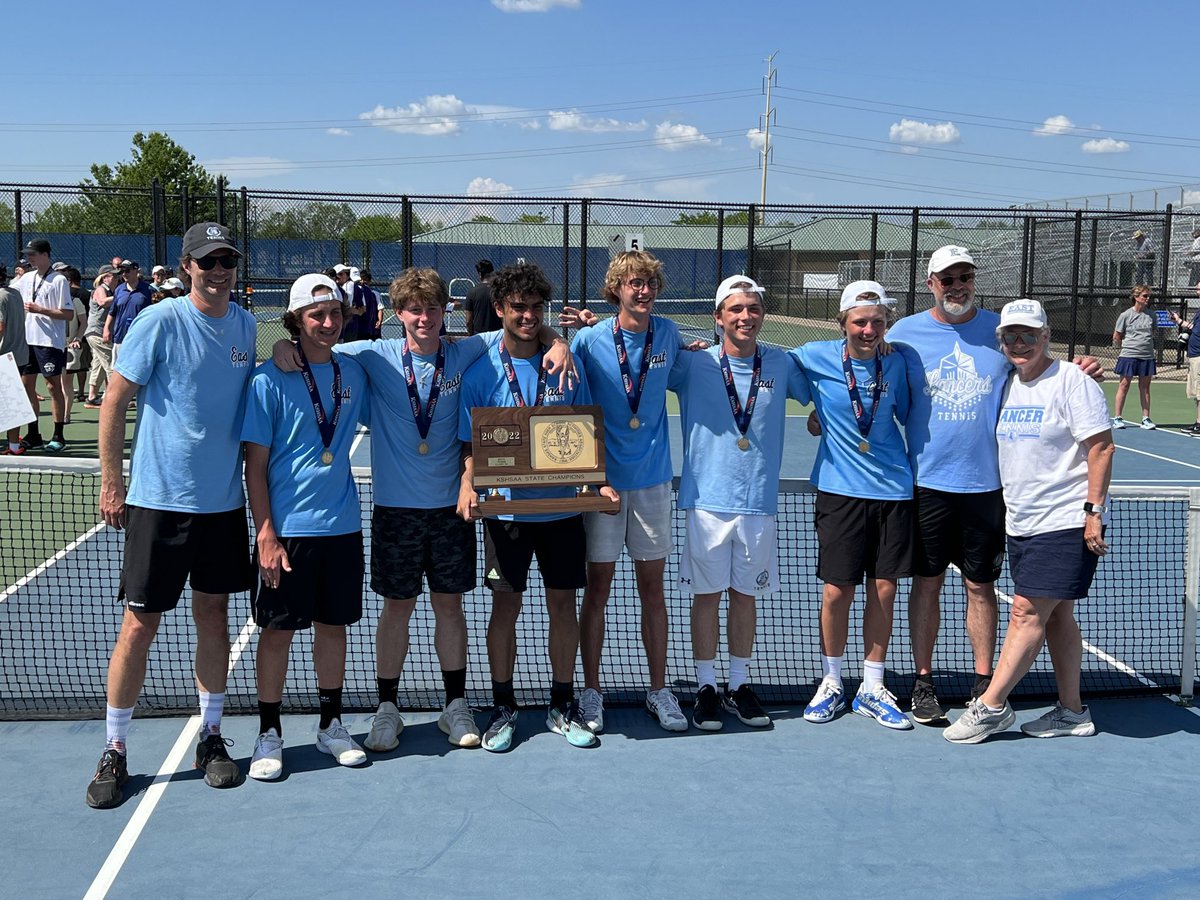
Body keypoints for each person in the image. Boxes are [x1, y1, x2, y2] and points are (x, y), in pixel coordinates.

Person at [270, 267, 573, 751]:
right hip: (396, 511)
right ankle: (387, 708)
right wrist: (280, 346)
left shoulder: (467, 349)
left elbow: (525, 325)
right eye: (414, 309)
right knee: (397, 609)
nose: (424, 317)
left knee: (449, 608)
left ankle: (455, 707)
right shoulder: (373, 353)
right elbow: (315, 345)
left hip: (453, 509)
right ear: (398, 315)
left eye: (433, 308)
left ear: (445, 311)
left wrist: (559, 341)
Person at [86, 222, 256, 809]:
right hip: (159, 504)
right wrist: (114, 483)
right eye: (207, 261)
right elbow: (114, 400)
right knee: (140, 625)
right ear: (187, 266)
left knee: (214, 618)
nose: (218, 270)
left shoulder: (246, 324)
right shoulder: (158, 321)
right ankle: (115, 747)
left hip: (223, 507)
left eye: (227, 260)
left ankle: (210, 738)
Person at [458, 261, 614, 751]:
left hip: (562, 510)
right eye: (518, 308)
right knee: (505, 605)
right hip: (506, 515)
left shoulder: (566, 363)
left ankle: (561, 703)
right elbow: (471, 444)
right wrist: (468, 484)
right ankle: (503, 706)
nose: (527, 316)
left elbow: (585, 435)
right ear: (500, 309)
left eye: (535, 308)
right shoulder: (481, 367)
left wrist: (600, 483)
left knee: (562, 603)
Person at [944, 299, 1114, 743]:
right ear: (1001, 341)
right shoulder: (1008, 384)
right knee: (1058, 617)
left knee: (1025, 612)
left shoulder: (1072, 381)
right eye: (1011, 335)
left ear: (1046, 336)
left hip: (1064, 518)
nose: (1020, 343)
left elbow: (1101, 447)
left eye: (1029, 334)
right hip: (1021, 521)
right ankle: (1073, 712)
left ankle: (992, 705)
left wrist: (1092, 513)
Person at [243, 274, 370, 779]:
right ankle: (269, 733)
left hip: (341, 527)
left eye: (335, 314)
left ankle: (331, 724)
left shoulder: (354, 374)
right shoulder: (266, 380)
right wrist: (266, 533)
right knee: (277, 633)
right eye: (316, 315)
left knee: (332, 628)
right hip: (288, 533)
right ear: (296, 320)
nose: (327, 323)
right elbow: (255, 466)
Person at [669, 275, 805, 732]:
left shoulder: (783, 363)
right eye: (735, 309)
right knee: (707, 597)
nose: (745, 316)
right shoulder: (691, 364)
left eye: (752, 309)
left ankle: (739, 684)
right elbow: (635, 369)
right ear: (718, 317)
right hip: (707, 502)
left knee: (745, 596)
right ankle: (706, 686)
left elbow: (832, 377)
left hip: (758, 502)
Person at [564, 250, 690, 733]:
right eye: (633, 282)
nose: (643, 290)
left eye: (650, 283)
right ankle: (591, 692)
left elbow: (688, 372)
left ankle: (659, 690)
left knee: (652, 590)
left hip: (654, 482)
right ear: (616, 288)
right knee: (597, 590)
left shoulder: (671, 334)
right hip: (603, 488)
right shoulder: (591, 339)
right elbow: (567, 395)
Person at [795, 282, 914, 730]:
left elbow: (907, 412)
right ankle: (831, 681)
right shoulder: (813, 356)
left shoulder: (898, 362)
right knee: (837, 590)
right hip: (840, 491)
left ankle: (872, 684)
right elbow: (752, 360)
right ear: (842, 322)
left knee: (884, 590)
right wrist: (817, 416)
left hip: (894, 490)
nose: (869, 329)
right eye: (860, 321)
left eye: (877, 322)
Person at [14, 239, 74, 453]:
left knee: (52, 386)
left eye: (34, 253)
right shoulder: (25, 278)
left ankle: (58, 435)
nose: (29, 257)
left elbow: (68, 314)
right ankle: (33, 434)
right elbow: (8, 294)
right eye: (28, 254)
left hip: (49, 342)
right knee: (26, 385)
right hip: (26, 342)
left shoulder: (59, 280)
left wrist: (41, 310)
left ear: (45, 255)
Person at [1111, 285, 1157, 430]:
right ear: (1136, 297)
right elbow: (1117, 336)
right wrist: (1124, 348)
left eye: (1149, 296)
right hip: (1129, 356)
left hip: (1147, 356)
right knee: (1124, 385)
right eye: (1145, 296)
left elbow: (1153, 332)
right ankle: (1118, 418)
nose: (1147, 298)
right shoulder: (1125, 315)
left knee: (1145, 387)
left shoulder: (1152, 315)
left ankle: (1146, 418)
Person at [0, 264, 30, 455]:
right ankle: (13, 447)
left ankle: (13, 446)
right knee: (12, 404)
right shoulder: (15, 294)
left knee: (10, 404)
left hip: (4, 357)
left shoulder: (0, 297)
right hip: (17, 357)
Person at [104, 260, 153, 365]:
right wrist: (106, 329)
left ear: (136, 271)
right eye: (122, 271)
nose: (124, 274)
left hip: (140, 338)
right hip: (120, 337)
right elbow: (112, 312)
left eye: (127, 271)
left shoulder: (148, 290)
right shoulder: (119, 290)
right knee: (118, 371)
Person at [84, 265, 117, 408]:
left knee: (98, 365)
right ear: (105, 277)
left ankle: (91, 397)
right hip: (96, 333)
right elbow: (103, 302)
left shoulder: (112, 291)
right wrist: (122, 295)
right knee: (111, 364)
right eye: (114, 276)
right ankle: (115, 400)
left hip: (99, 333)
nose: (117, 278)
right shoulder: (100, 289)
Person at [1170, 282, 1200, 436]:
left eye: (1199, 288)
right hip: (1194, 355)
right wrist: (1179, 321)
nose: (1196, 291)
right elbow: (1194, 327)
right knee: (1196, 393)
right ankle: (1198, 422)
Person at [464, 259, 500, 335]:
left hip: (479, 334)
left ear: (480, 274)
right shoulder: (499, 291)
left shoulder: (472, 292)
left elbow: (468, 320)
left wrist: (471, 335)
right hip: (497, 334)